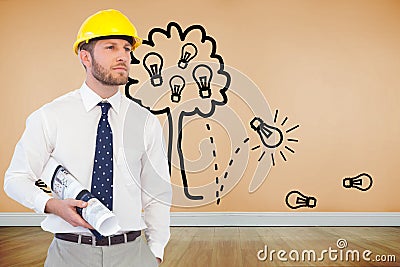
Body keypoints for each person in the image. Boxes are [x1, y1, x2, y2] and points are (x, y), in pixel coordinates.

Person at [4, 9, 172, 267]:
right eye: (110, 47)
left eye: (127, 49)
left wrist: (156, 252)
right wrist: (51, 205)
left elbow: (157, 194)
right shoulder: (51, 116)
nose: (122, 56)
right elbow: (16, 179)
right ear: (85, 56)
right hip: (69, 253)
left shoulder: (145, 122)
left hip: (132, 253)